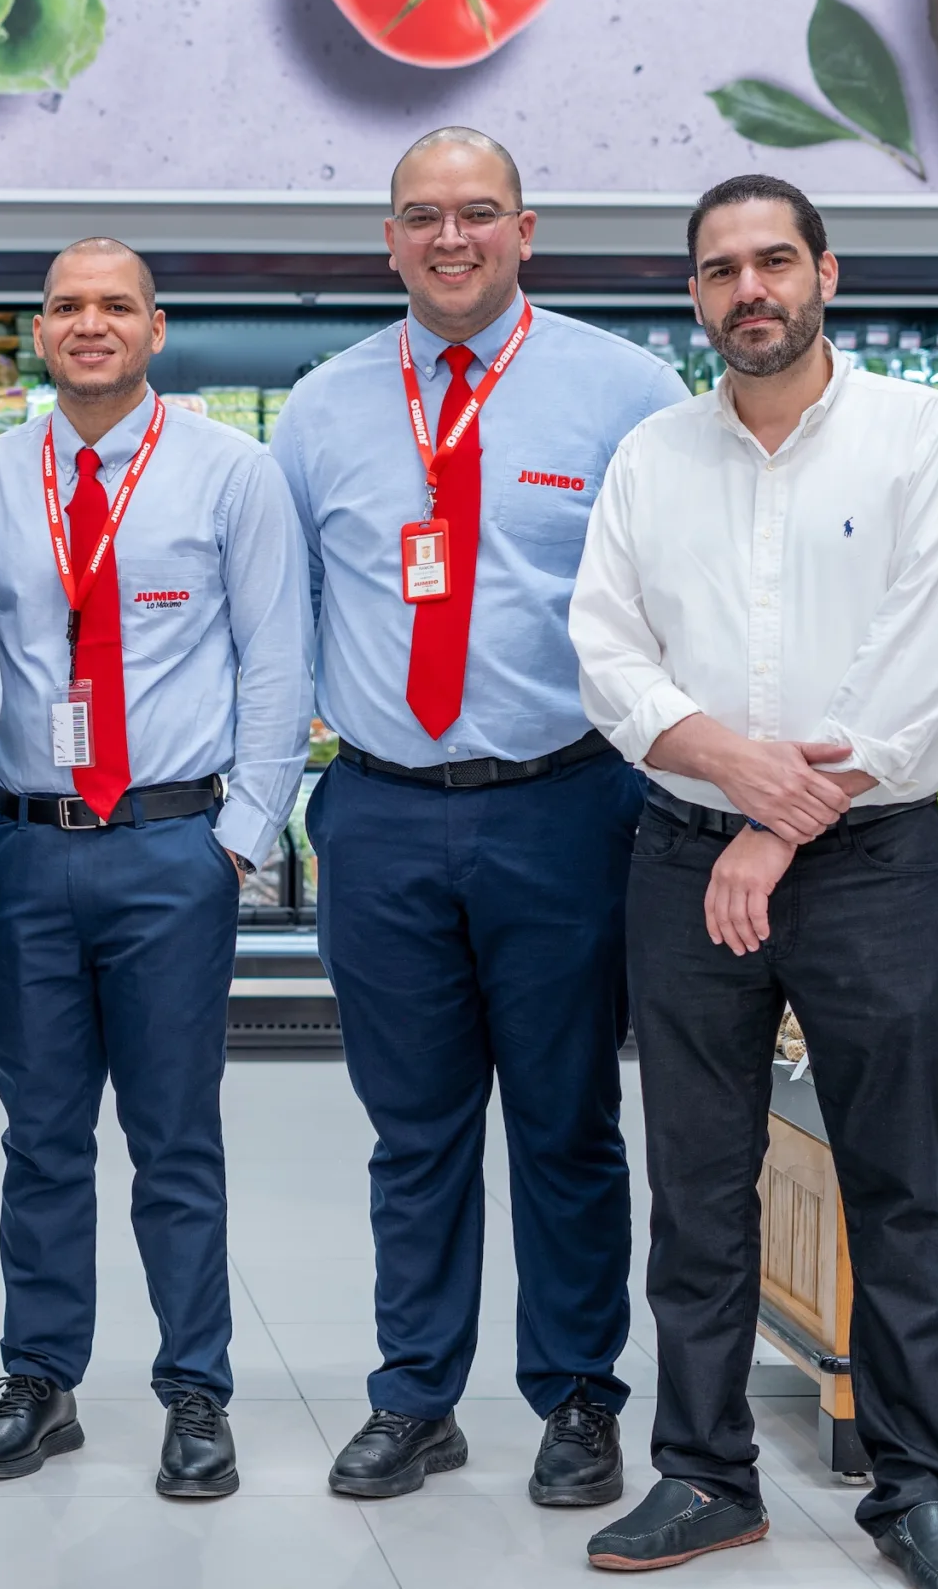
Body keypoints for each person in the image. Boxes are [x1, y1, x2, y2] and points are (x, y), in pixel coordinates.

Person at [570, 175, 938, 1589]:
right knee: (697, 1183)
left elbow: (925, 651)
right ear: (692, 295)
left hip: (869, 861)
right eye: (717, 270)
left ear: (826, 270)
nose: (747, 288)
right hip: (681, 860)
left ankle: (919, 1486)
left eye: (772, 261)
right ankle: (704, 1475)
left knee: (900, 1183)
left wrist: (778, 819)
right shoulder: (650, 457)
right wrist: (723, 771)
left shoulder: (919, 438)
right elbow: (607, 648)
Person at [267, 128, 688, 1507]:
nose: (451, 238)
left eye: (478, 213)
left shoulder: (627, 391)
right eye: (422, 216)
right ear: (388, 240)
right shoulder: (320, 408)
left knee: (567, 1122)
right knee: (416, 1129)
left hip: (567, 805)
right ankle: (415, 1396)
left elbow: (674, 608)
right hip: (382, 812)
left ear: (525, 230)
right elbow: (289, 630)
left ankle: (577, 1398)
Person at [0, 239, 311, 1499]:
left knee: (173, 1140)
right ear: (36, 331)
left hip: (169, 847)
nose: (88, 324)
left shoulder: (231, 473)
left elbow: (275, 661)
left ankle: (193, 1391)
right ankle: (38, 1382)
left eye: (114, 306)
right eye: (65, 307)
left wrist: (238, 839)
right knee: (39, 1138)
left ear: (157, 329)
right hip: (22, 848)